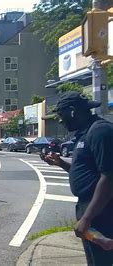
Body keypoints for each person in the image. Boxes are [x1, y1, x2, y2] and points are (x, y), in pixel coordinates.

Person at [40, 91, 113, 265]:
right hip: (93, 208)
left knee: (101, 261)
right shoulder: (85, 133)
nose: (60, 120)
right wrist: (60, 163)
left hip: (102, 210)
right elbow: (87, 170)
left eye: (61, 115)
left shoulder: (100, 132)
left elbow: (109, 177)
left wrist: (87, 218)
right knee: (95, 258)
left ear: (72, 111)